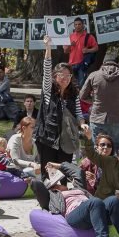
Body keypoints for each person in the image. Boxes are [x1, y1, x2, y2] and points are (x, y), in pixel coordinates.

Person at [34, 35, 83, 181]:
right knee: (48, 173)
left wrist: (83, 124)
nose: (66, 78)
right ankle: (48, 201)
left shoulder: (74, 93)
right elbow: (47, 67)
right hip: (47, 138)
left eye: (69, 75)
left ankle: (64, 199)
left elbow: (79, 113)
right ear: (55, 76)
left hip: (67, 139)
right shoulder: (49, 90)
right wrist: (48, 47)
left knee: (64, 172)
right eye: (62, 75)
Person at [79, 52, 119, 151]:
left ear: (103, 62)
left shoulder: (94, 75)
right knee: (117, 149)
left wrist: (95, 101)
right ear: (117, 63)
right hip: (117, 118)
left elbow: (82, 96)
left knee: (97, 149)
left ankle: (97, 166)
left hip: (97, 118)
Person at [63, 17, 98, 89]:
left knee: (82, 86)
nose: (77, 26)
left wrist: (88, 50)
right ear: (74, 26)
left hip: (82, 65)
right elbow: (65, 51)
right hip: (71, 64)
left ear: (83, 25)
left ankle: (81, 100)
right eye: (76, 24)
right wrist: (70, 45)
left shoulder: (89, 36)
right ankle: (72, 100)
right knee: (70, 86)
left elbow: (96, 48)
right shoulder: (70, 36)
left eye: (79, 24)